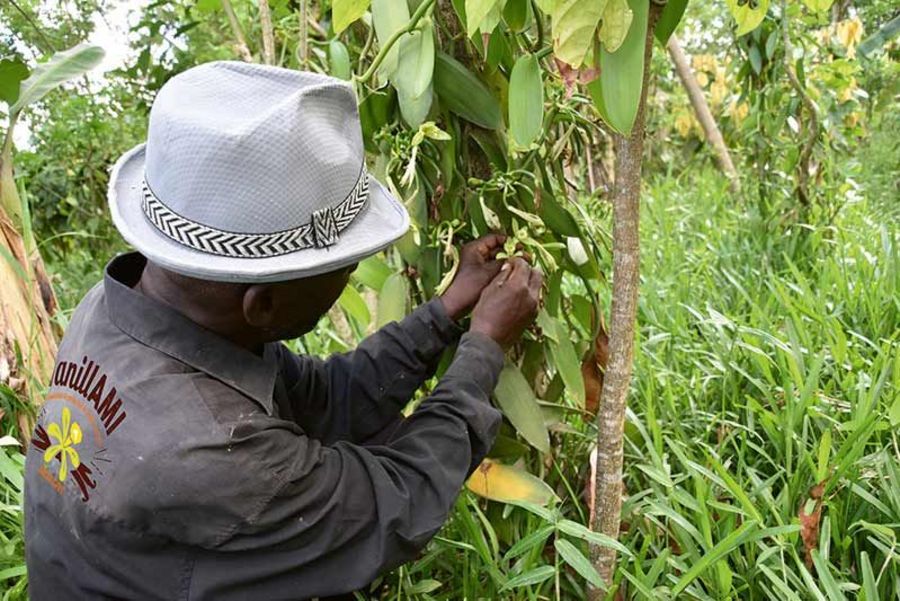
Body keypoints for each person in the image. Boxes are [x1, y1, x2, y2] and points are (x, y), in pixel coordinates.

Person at [24, 61, 541, 600]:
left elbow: (323, 399)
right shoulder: (213, 453)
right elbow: (393, 504)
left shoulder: (121, 308)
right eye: (343, 267)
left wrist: (447, 308)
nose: (349, 275)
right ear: (262, 303)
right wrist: (484, 347)